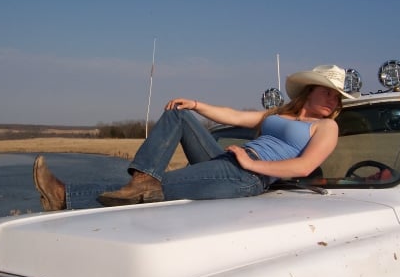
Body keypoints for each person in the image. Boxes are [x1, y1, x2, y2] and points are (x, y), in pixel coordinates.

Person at [33, 64, 354, 211]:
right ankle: (142, 178)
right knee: (178, 114)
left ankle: (65, 196)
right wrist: (197, 105)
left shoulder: (327, 128)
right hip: (227, 162)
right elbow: (237, 116)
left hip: (247, 174)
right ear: (311, 90)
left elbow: (302, 166)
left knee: (164, 187)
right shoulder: (280, 112)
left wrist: (251, 164)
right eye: (327, 93)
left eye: (336, 98)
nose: (332, 101)